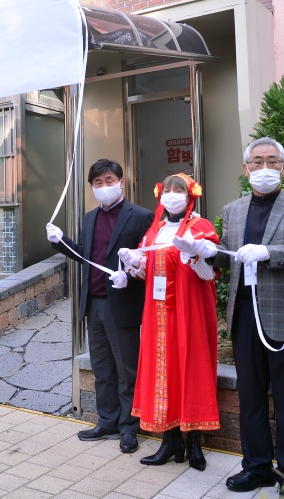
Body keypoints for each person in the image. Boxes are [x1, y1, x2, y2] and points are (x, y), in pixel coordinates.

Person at [182, 137, 284, 496]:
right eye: (257, 162)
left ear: (283, 167)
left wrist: (268, 252)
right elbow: (231, 258)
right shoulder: (234, 209)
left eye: (272, 161)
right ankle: (256, 466)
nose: (264, 168)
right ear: (246, 169)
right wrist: (206, 252)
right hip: (244, 317)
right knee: (252, 397)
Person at [46, 159, 154, 453]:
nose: (104, 187)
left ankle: (129, 427)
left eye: (109, 181)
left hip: (123, 303)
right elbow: (85, 256)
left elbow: (149, 263)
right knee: (102, 369)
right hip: (92, 304)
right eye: (98, 183)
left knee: (126, 369)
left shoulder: (141, 216)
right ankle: (107, 421)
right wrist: (60, 241)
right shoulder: (89, 218)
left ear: (122, 182)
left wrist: (129, 278)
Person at [119, 174, 220, 471]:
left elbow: (210, 274)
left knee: (191, 369)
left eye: (179, 189)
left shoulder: (200, 227)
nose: (172, 194)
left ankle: (194, 442)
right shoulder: (155, 231)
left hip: (191, 311)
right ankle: (170, 440)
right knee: (163, 373)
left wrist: (195, 254)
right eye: (168, 189)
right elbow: (146, 273)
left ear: (191, 194)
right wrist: (132, 266)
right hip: (158, 314)